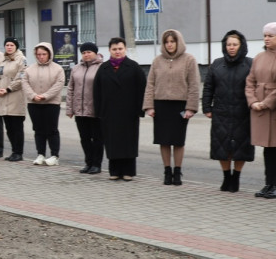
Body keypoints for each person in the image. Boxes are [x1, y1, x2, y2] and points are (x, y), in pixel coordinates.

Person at [143, 29, 200, 186]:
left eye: (172, 41)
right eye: (167, 42)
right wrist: (149, 106)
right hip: (161, 105)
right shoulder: (157, 61)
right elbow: (150, 84)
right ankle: (167, 171)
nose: (169, 44)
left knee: (178, 141)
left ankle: (177, 171)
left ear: (178, 42)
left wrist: (191, 108)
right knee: (164, 140)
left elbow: (194, 85)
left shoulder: (189, 60)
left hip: (179, 105)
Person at [203, 30, 254, 192]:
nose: (231, 47)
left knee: (241, 147)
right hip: (221, 112)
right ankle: (226, 177)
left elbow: (255, 87)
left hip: (243, 113)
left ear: (241, 46)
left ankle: (236, 177)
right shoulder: (217, 64)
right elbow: (208, 88)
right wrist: (206, 108)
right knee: (222, 146)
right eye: (229, 44)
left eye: (235, 44)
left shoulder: (250, 64)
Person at [246, 23, 276, 199]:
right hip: (259, 108)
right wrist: (253, 102)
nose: (266, 38)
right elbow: (250, 81)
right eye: (265, 35)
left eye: (270, 35)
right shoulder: (258, 57)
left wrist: (266, 102)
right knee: (267, 147)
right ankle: (268, 183)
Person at [93, 38, 147, 180]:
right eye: (114, 49)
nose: (117, 52)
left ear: (125, 50)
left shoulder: (134, 67)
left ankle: (128, 171)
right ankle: (115, 171)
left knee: (128, 141)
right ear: (110, 50)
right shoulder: (103, 68)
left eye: (120, 49)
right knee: (112, 141)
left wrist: (140, 110)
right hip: (109, 113)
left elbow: (142, 89)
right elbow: (96, 91)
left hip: (129, 112)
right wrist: (99, 111)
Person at [22, 42, 64, 166]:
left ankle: (54, 155)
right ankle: (40, 154)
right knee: (38, 129)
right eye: (38, 54)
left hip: (51, 103)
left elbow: (59, 84)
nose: (41, 56)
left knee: (51, 129)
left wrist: (45, 96)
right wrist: (33, 96)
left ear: (49, 54)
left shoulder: (58, 69)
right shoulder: (29, 69)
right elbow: (24, 82)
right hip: (34, 103)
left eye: (44, 54)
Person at [66, 42, 104, 174]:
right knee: (84, 138)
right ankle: (88, 162)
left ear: (95, 53)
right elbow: (70, 88)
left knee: (97, 138)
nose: (86, 55)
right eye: (83, 52)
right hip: (80, 110)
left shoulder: (102, 67)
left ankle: (97, 164)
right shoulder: (76, 68)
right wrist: (70, 108)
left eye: (89, 52)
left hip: (95, 111)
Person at [0, 38, 27, 161]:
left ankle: (19, 152)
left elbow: (21, 78)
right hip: (3, 98)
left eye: (11, 45)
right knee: (9, 127)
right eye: (7, 45)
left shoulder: (21, 60)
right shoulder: (2, 60)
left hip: (15, 97)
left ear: (16, 47)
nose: (9, 47)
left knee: (17, 127)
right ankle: (14, 151)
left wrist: (8, 89)